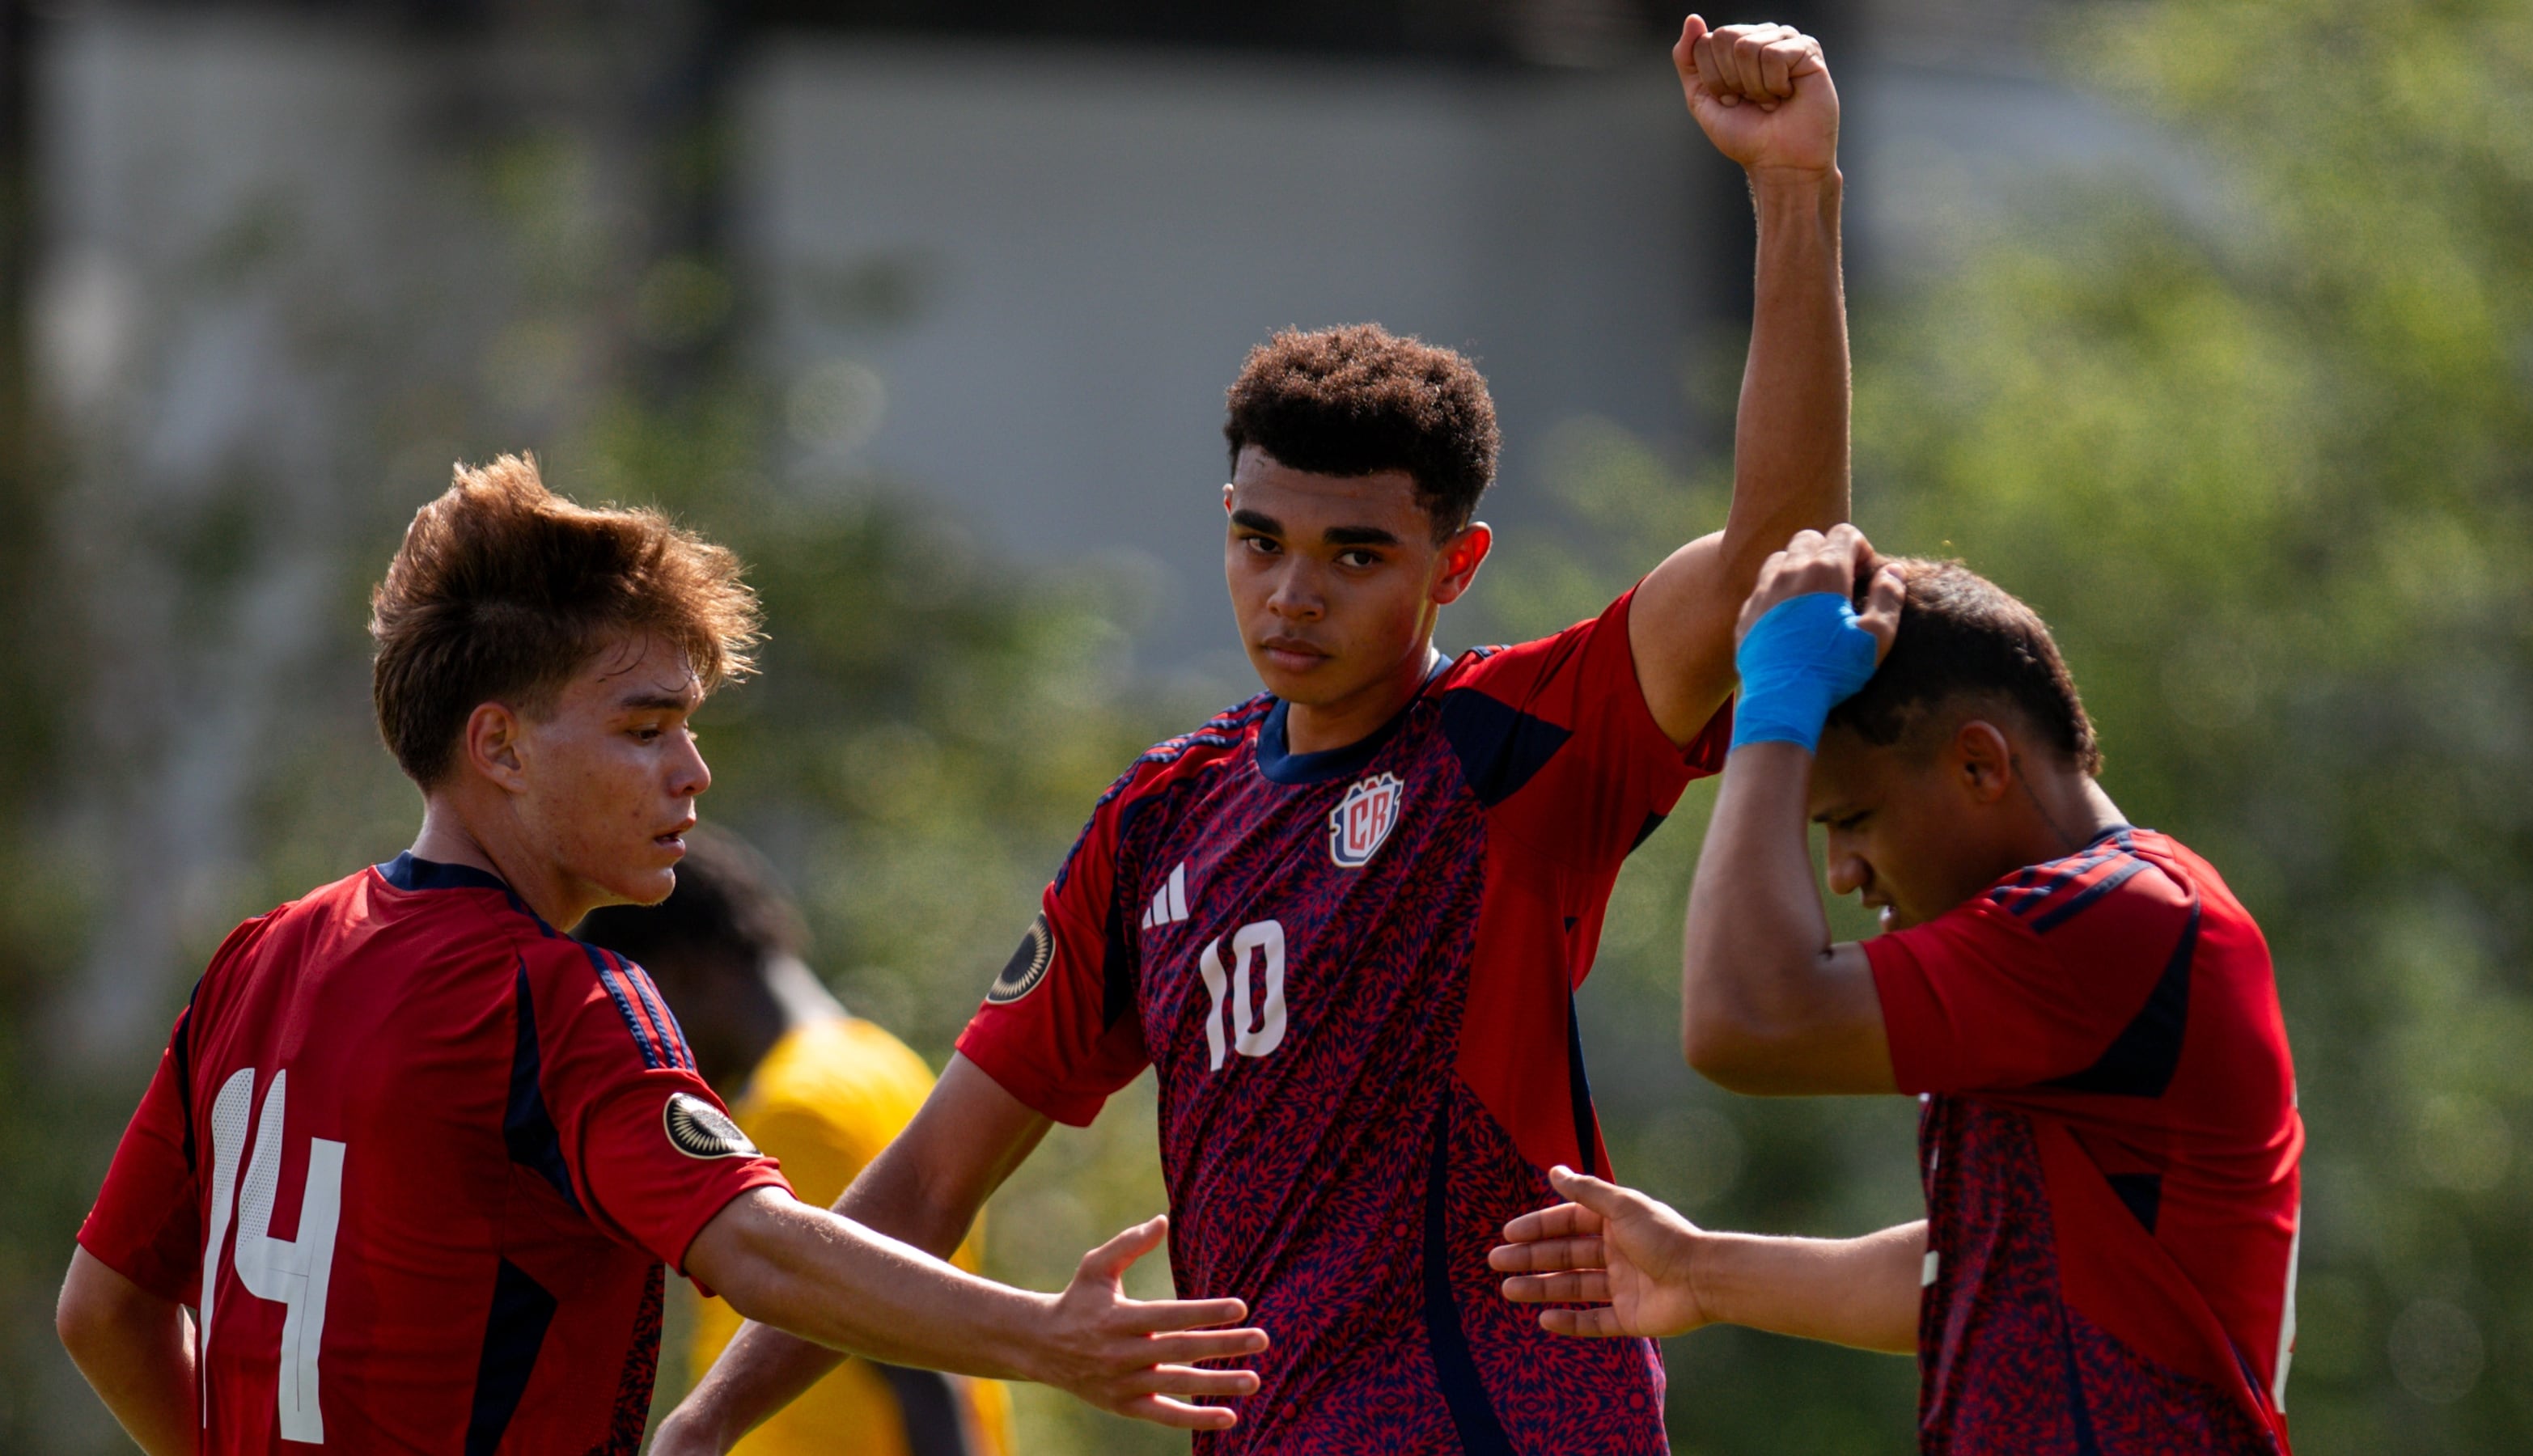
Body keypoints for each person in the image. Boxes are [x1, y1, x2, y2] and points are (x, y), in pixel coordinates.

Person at [653, 17, 1851, 1454]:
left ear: (1451, 569)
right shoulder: (1162, 818)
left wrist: (1793, 189)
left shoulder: (1512, 745)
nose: (1294, 592)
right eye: (1260, 540)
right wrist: (701, 1431)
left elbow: (1781, 550)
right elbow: (921, 1188)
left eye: (1355, 555)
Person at [54, 456, 1264, 1454]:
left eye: (691, 726)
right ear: (501, 747)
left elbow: (103, 1311)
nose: (692, 772)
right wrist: (1043, 1336)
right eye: (645, 729)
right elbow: (754, 1247)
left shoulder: (258, 959)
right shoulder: (558, 999)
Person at [1489, 525, 2303, 1454]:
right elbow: (1978, 1263)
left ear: (1978, 765)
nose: (1839, 874)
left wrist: (1776, 705)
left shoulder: (2118, 918)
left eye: (1851, 819)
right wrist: (1701, 1272)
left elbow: (1744, 1019)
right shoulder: (2099, 929)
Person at [578, 827, 1014, 1456]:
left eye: (642, 1014)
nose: (641, 1051)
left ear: (685, 973)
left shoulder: (794, 1109)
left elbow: (917, 1365)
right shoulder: (882, 1061)